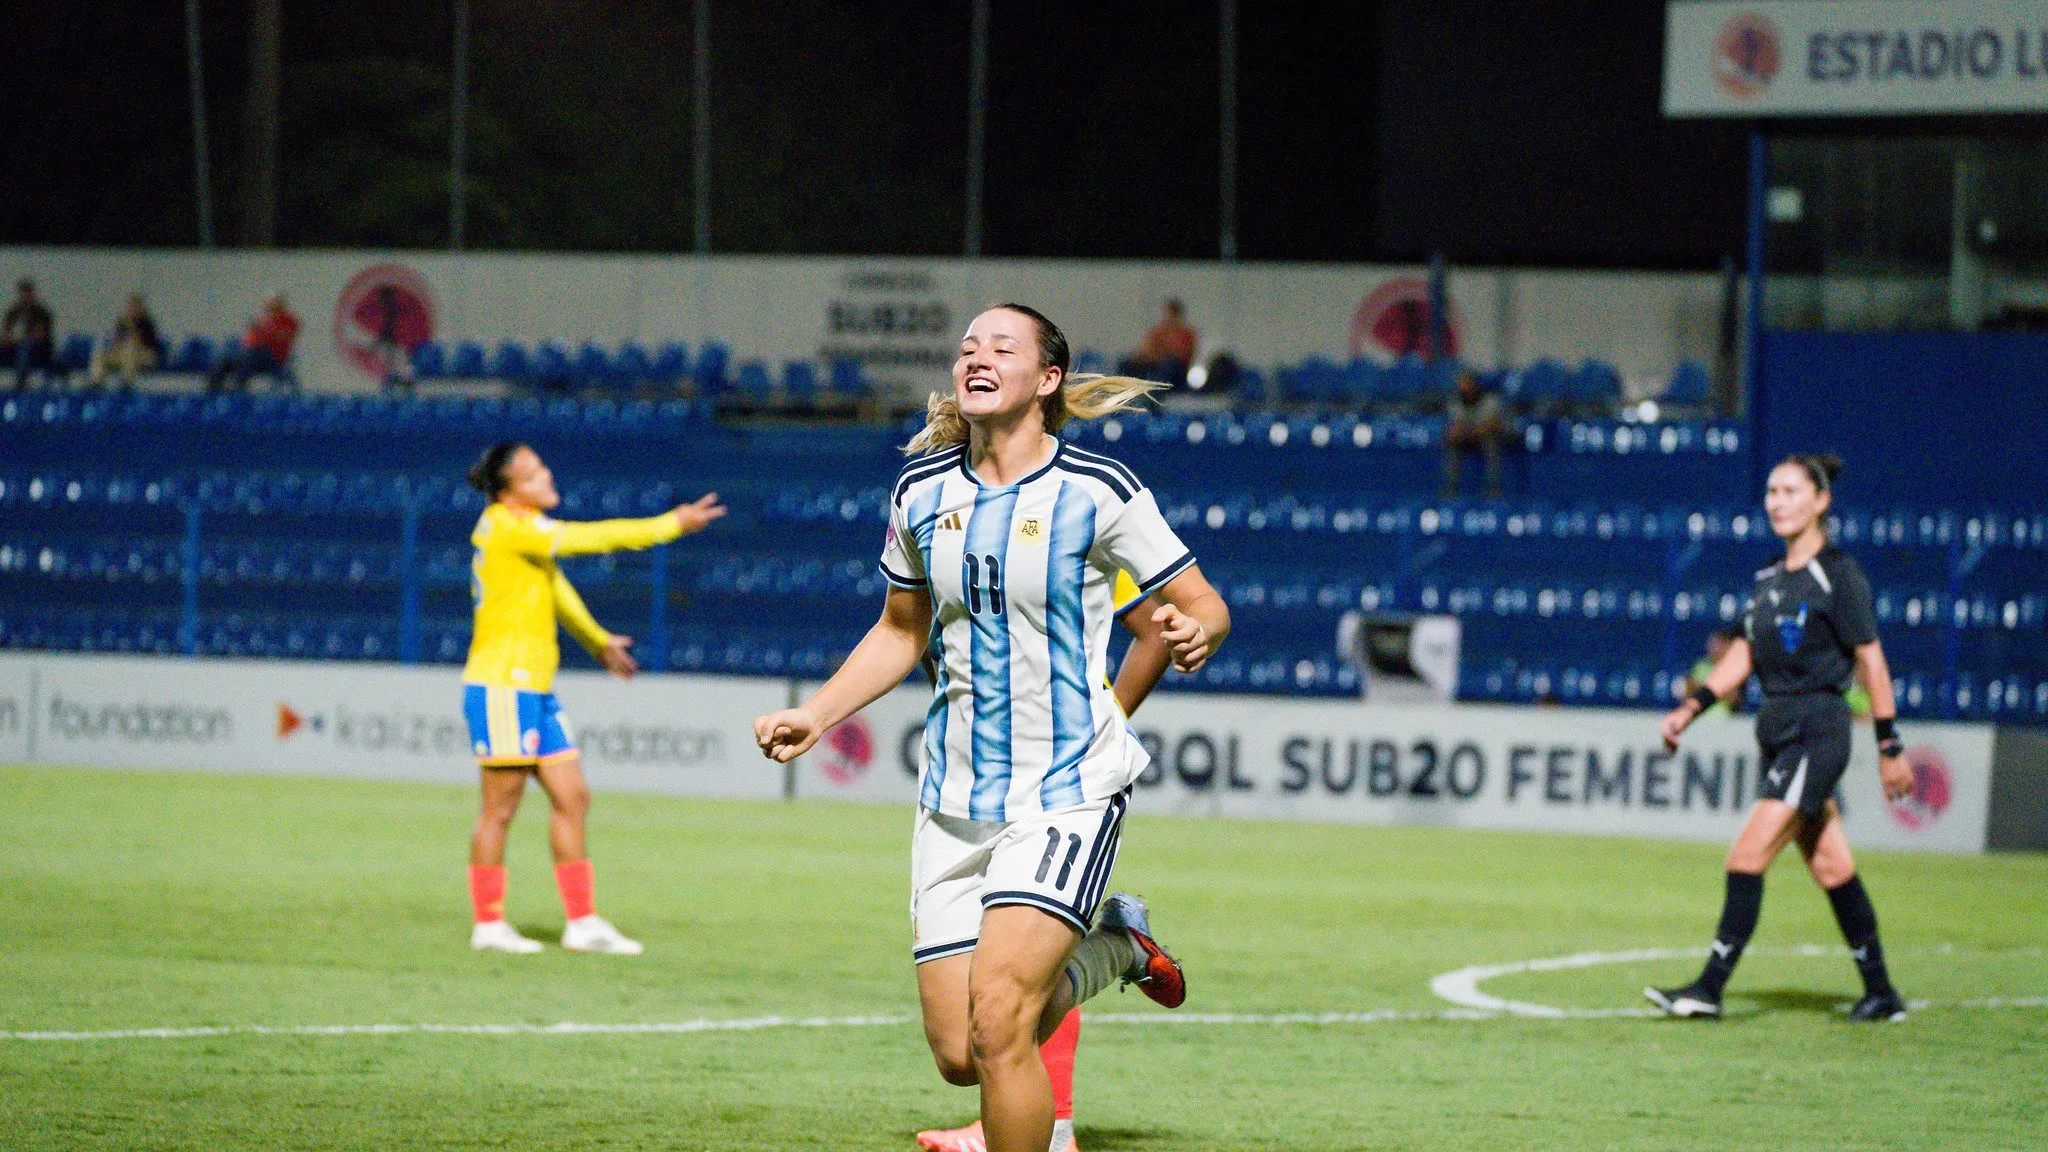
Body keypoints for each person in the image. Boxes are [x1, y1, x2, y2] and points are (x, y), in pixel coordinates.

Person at [754, 304, 1231, 1152]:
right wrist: (816, 714)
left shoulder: (1098, 491)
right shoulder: (921, 492)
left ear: (1045, 380)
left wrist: (1200, 630)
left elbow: (1199, 605)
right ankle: (1114, 946)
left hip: (1065, 793)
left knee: (1002, 1025)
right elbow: (901, 631)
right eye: (968, 346)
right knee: (958, 1054)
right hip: (953, 797)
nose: (976, 356)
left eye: (1000, 347)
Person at [1650, 452, 1915, 1022]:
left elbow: (1871, 658)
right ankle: (1882, 993)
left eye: (1790, 491)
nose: (1776, 501)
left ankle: (1708, 988)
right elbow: (1745, 653)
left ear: (1820, 501)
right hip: (1775, 729)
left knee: (1746, 856)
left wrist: (1889, 745)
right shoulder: (1768, 578)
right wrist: (1692, 707)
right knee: (1831, 867)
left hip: (1816, 730)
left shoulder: (1839, 574)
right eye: (1771, 491)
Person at [916, 569, 1173, 1152]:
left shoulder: (1077, 524)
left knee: (1021, 957)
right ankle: (1117, 949)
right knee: (964, 1042)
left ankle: (1051, 1126)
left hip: (1061, 781)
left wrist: (1104, 728)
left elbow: (1157, 630)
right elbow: (924, 639)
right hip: (976, 783)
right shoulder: (939, 517)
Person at [462, 441, 726, 954]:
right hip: (501, 685)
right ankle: (488, 923)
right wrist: (670, 524)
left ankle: (581, 923)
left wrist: (598, 641)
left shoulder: (521, 535)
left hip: (533, 689)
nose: (546, 476)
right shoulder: (508, 525)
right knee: (500, 807)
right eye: (532, 474)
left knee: (573, 797)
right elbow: (592, 538)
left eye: (542, 468)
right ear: (508, 492)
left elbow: (557, 594)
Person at [207, 295, 301, 391]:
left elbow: (282, 337)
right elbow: (248, 340)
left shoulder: (289, 321)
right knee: (225, 360)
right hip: (251, 352)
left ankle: (238, 391)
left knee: (248, 359)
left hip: (272, 356)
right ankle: (213, 392)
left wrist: (264, 332)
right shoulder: (265, 320)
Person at [1441, 370, 1509, 500]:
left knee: (1491, 446)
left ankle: (1493, 491)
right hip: (1468, 438)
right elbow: (1453, 431)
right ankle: (1450, 492)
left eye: (1468, 384)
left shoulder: (1490, 399)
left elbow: (1492, 426)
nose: (1465, 388)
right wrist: (1466, 432)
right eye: (1462, 385)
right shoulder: (1455, 401)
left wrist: (1470, 431)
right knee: (1452, 446)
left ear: (1475, 385)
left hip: (1488, 438)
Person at [89, 293, 166, 388]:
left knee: (130, 350)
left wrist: (132, 329)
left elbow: (143, 343)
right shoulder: (122, 323)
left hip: (146, 356)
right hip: (123, 354)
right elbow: (115, 343)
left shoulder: (147, 324)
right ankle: (97, 381)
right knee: (100, 354)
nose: (132, 309)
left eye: (135, 307)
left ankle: (127, 381)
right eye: (130, 306)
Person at [1122, 299, 1198, 387]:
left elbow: (1184, 355)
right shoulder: (1159, 332)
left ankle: (1155, 389)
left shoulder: (1186, 334)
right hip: (1155, 364)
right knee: (1128, 363)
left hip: (1175, 369)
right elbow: (1148, 349)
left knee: (1169, 365)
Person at [1676, 625, 1744, 717]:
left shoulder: (1733, 666)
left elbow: (1733, 697)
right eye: (1712, 642)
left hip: (1724, 720)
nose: (1714, 646)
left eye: (1719, 643)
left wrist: (1703, 688)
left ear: (1728, 645)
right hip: (1699, 718)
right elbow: (1687, 691)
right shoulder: (1700, 665)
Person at [2, 279, 55, 388]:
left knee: (24, 350)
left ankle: (20, 386)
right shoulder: (13, 313)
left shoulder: (42, 313)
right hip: (13, 347)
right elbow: (7, 333)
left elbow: (42, 335)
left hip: (37, 350)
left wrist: (25, 337)